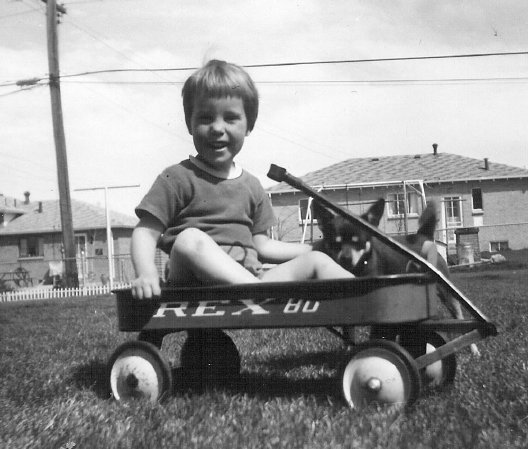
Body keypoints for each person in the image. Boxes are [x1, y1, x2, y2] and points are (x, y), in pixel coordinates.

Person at [131, 59, 353, 300]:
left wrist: (317, 247)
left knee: (317, 260)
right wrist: (146, 272)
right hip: (191, 283)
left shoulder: (252, 186)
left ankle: (369, 300)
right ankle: (256, 291)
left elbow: (263, 246)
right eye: (206, 118)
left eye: (230, 118)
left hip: (249, 279)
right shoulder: (177, 178)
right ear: (189, 124)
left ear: (249, 125)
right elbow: (145, 232)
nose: (217, 128)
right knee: (189, 239)